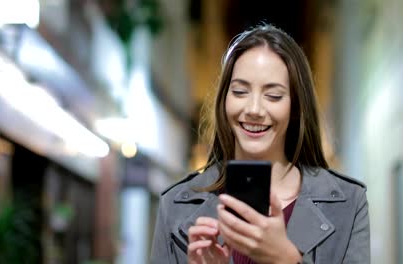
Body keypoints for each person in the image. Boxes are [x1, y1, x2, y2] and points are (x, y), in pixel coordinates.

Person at [150, 24, 370, 264]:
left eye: (273, 95)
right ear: (224, 100)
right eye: (240, 91)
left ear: (295, 106)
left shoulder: (348, 204)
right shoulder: (175, 204)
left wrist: (285, 260)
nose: (254, 109)